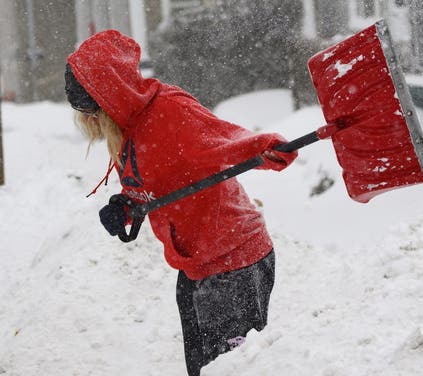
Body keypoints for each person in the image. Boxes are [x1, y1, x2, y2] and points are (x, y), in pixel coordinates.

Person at [65, 30, 298, 376]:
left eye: (89, 112)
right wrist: (125, 206)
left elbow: (230, 139)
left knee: (231, 370)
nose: (87, 123)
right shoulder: (127, 128)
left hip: (234, 263)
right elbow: (160, 180)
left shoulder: (170, 113)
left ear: (108, 99)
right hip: (195, 266)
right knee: (201, 368)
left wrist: (269, 148)